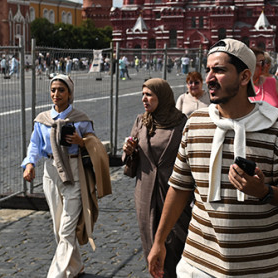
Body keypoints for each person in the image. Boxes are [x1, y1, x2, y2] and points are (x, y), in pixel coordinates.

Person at [147, 39, 278, 277]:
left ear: (244, 77)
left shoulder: (276, 130)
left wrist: (263, 191)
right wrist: (159, 241)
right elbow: (179, 187)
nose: (209, 78)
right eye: (208, 69)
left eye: (219, 70)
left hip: (255, 268)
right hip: (196, 264)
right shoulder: (195, 124)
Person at [21, 74, 112, 278]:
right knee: (58, 227)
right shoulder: (42, 120)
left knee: (66, 229)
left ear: (70, 94)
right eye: (53, 90)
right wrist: (29, 163)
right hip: (51, 172)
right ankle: (76, 266)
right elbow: (34, 144)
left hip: (74, 171)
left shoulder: (81, 119)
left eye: (61, 90)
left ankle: (56, 275)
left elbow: (95, 145)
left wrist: (81, 142)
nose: (56, 94)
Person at [123, 78, 189, 278]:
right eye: (142, 94)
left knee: (175, 242)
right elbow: (131, 158)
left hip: (173, 193)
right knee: (150, 242)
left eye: (149, 95)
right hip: (145, 193)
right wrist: (129, 150)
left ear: (162, 96)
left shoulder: (181, 122)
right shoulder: (141, 121)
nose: (144, 99)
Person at [249, 48, 278, 120]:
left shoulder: (272, 82)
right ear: (251, 64)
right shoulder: (240, 88)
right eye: (262, 62)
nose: (265, 65)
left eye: (265, 62)